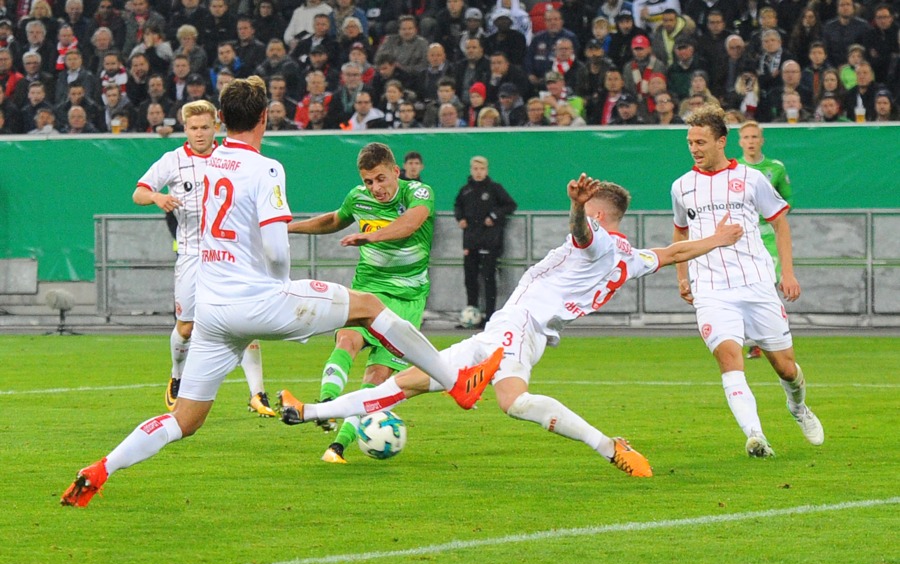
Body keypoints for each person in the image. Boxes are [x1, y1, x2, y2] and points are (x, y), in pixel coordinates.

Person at [61, 76, 501, 508]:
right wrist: (283, 287)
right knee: (369, 307)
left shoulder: (205, 163)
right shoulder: (266, 166)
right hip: (260, 300)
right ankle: (456, 384)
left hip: (213, 310)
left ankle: (102, 468)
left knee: (185, 420)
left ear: (220, 120)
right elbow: (274, 245)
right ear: (264, 117)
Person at [279, 173, 746, 479]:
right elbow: (673, 252)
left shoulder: (598, 238)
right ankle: (310, 413)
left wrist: (576, 209)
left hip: (521, 324)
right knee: (409, 382)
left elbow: (582, 235)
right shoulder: (631, 255)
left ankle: (607, 446)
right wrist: (720, 238)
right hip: (508, 329)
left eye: (589, 208)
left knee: (511, 401)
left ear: (599, 213)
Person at [672, 105, 824, 458]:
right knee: (730, 359)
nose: (694, 148)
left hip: (756, 284)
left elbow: (780, 223)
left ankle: (798, 407)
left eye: (701, 141)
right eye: (690, 142)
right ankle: (755, 436)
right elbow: (680, 230)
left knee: (785, 368)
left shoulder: (753, 179)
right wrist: (682, 275)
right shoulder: (682, 187)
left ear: (722, 141)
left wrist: (787, 272)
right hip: (711, 289)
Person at [286, 142, 436, 462]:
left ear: (396, 172)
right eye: (369, 181)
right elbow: (333, 220)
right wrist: (288, 228)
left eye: (381, 179)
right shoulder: (358, 198)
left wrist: (370, 236)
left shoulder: (419, 193)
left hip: (408, 299)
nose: (375, 188)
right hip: (368, 289)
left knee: (377, 378)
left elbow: (411, 223)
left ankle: (338, 445)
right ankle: (325, 405)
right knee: (348, 338)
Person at [132, 100, 274, 415]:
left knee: (244, 320)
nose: (199, 134)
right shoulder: (172, 161)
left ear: (216, 127)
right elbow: (138, 193)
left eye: (205, 127)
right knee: (186, 327)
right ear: (185, 128)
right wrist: (157, 196)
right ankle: (177, 375)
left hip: (230, 254)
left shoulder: (230, 159)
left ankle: (257, 392)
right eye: (194, 128)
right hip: (192, 254)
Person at [737, 120, 795, 360]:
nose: (751, 142)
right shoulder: (734, 168)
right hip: (742, 235)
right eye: (746, 137)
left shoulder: (776, 168)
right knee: (742, 285)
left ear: (762, 140)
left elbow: (786, 200)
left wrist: (775, 220)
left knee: (767, 283)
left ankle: (768, 338)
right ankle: (753, 338)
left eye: (754, 137)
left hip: (768, 235)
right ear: (740, 142)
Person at [454, 156, 517, 324]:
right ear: (471, 170)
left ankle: (490, 317)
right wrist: (459, 218)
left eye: (481, 169)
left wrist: (494, 216)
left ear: (486, 170)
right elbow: (457, 206)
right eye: (475, 169)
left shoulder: (495, 188)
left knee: (489, 278)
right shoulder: (465, 191)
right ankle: (472, 314)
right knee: (470, 279)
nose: (478, 172)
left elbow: (510, 205)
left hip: (490, 242)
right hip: (471, 242)